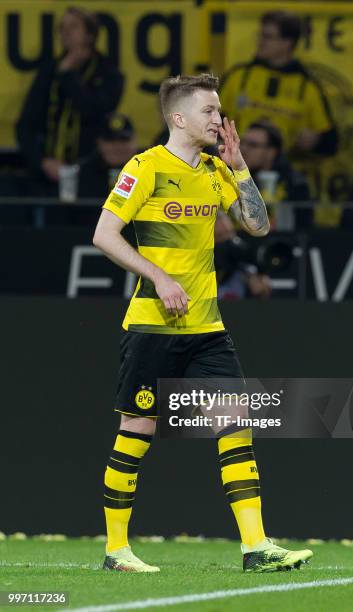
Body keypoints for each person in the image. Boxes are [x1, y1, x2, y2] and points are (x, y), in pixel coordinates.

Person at [93, 73, 313, 573]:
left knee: (236, 425)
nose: (219, 119)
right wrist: (160, 277)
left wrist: (240, 169)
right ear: (178, 118)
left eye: (218, 110)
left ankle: (256, 547)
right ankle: (117, 551)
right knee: (136, 431)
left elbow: (258, 226)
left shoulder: (217, 171)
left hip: (206, 329)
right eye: (210, 111)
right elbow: (104, 235)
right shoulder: (145, 167)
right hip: (151, 325)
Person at [16, 7, 124, 197]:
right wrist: (43, 161)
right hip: (48, 175)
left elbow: (92, 110)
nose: (66, 32)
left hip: (91, 177)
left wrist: (68, 75)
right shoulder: (49, 72)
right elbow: (26, 124)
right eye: (62, 28)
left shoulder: (109, 74)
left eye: (73, 27)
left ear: (90, 35)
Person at [220, 11, 337, 160]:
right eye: (260, 35)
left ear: (287, 43)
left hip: (282, 173)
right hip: (235, 166)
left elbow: (330, 142)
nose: (260, 42)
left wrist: (316, 142)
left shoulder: (307, 88)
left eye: (268, 37)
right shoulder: (239, 77)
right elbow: (211, 120)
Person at [240, 122, 311, 227]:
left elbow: (303, 227)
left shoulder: (295, 184)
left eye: (253, 145)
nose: (244, 149)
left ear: (271, 152)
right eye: (242, 143)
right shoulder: (232, 177)